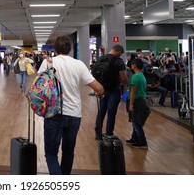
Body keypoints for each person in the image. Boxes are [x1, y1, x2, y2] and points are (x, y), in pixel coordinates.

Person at [38, 35, 104, 175]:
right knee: (68, 152)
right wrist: (100, 92)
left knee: (51, 154)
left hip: (53, 113)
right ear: (70, 48)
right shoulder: (78, 64)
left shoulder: (48, 63)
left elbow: (39, 86)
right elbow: (98, 88)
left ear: (55, 48)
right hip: (74, 114)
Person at [94, 44, 127, 139]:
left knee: (101, 111)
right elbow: (122, 77)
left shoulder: (101, 59)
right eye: (120, 54)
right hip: (114, 89)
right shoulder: (118, 61)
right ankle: (109, 133)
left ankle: (98, 132)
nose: (120, 55)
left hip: (102, 89)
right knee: (111, 112)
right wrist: (124, 82)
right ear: (118, 51)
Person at [127, 58, 150, 148]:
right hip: (142, 100)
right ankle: (134, 138)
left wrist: (131, 104)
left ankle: (142, 141)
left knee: (136, 122)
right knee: (135, 121)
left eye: (132, 65)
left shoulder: (135, 77)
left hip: (137, 101)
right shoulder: (141, 75)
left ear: (134, 66)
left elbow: (133, 92)